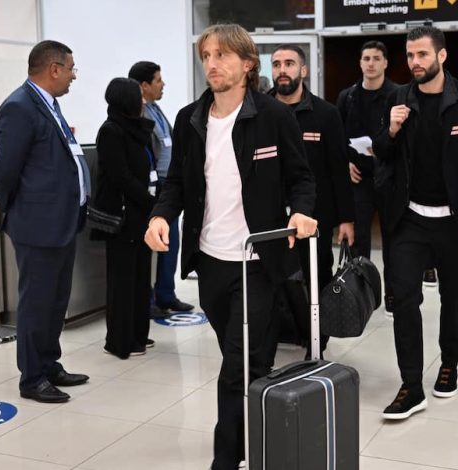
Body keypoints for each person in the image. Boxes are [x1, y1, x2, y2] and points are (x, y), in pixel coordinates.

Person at [144, 24, 316, 470]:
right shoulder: (190, 119)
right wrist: (160, 215)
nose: (212, 64)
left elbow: (301, 178)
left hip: (257, 261)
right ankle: (258, 439)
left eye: (221, 55)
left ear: (247, 63)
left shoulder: (273, 117)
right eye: (206, 56)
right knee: (243, 361)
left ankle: (227, 458)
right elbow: (177, 182)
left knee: (238, 365)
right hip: (211, 261)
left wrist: (300, 211)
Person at [372, 26, 458, 420]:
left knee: (453, 298)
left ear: (441, 56)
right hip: (408, 219)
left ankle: (449, 364)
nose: (415, 62)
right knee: (404, 298)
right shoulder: (397, 98)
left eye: (422, 54)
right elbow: (381, 152)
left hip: (454, 223)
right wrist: (391, 129)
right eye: (410, 55)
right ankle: (411, 385)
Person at [0, 40, 90, 403]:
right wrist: (4, 203)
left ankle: (49, 364)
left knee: (55, 301)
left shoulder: (48, 104)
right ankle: (32, 378)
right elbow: (6, 169)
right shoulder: (19, 107)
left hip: (61, 221)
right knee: (36, 303)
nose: (74, 76)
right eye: (71, 69)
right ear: (54, 69)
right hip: (37, 224)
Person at [268, 44, 354, 358]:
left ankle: (317, 341)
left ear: (303, 70)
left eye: (289, 63)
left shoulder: (326, 114)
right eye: (276, 64)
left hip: (315, 216)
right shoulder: (260, 110)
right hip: (270, 215)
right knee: (271, 279)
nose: (282, 70)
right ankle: (281, 334)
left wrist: (346, 219)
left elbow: (338, 170)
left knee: (316, 279)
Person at [92, 78, 156, 358]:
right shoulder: (111, 131)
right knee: (122, 281)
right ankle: (120, 340)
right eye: (137, 97)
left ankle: (138, 334)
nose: (142, 102)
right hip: (124, 217)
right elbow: (120, 176)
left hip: (142, 214)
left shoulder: (138, 129)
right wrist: (150, 200)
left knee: (140, 278)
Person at [128, 61, 195, 316]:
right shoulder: (137, 113)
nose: (163, 84)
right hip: (154, 186)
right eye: (158, 80)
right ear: (144, 85)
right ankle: (150, 300)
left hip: (170, 184)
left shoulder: (155, 108)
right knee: (155, 243)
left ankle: (166, 294)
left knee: (171, 243)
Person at [336, 40, 398, 310]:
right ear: (360, 63)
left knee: (393, 242)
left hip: (389, 178)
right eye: (366, 58)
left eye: (376, 58)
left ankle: (393, 297)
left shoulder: (397, 95)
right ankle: (359, 298)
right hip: (358, 178)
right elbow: (337, 137)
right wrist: (345, 163)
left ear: (385, 63)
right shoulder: (347, 97)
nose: (371, 63)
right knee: (358, 241)